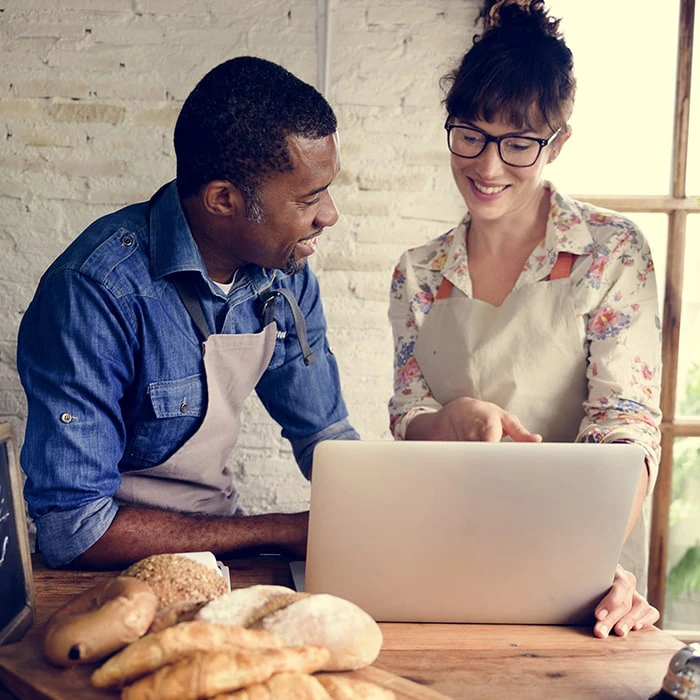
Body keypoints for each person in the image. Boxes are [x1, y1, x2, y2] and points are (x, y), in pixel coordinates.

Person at [17, 56, 358, 570]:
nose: (329, 215)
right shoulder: (95, 292)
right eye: (309, 197)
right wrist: (285, 531)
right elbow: (75, 529)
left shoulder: (283, 271)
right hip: (110, 569)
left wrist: (379, 512)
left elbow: (324, 437)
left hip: (218, 549)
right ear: (223, 199)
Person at [388, 0, 662, 638]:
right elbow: (408, 412)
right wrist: (446, 422)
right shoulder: (418, 272)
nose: (486, 167)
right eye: (471, 135)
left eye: (517, 144)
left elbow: (626, 424)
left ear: (558, 141)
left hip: (584, 570)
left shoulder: (612, 251)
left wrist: (582, 558)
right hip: (449, 547)